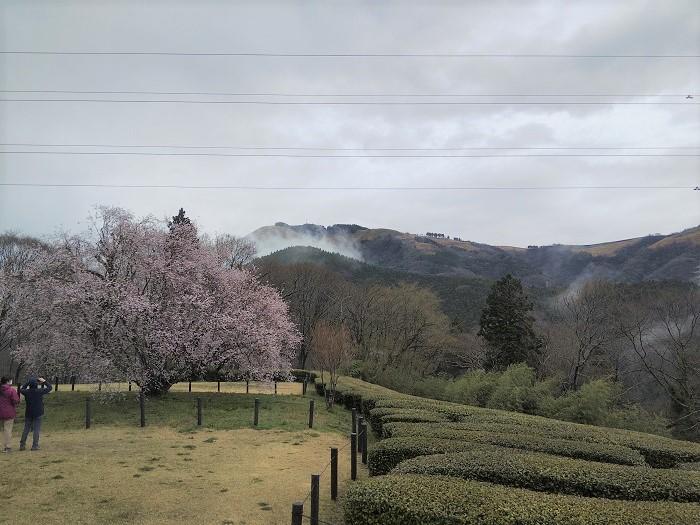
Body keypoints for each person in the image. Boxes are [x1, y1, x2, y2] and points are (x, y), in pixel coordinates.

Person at [19, 376, 52, 451]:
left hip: (29, 412)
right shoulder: (39, 391)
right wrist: (44, 381)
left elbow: (21, 389)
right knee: (36, 429)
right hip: (38, 412)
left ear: (29, 385)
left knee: (26, 429)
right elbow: (50, 387)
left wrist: (28, 382)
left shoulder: (26, 392)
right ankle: (35, 446)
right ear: (37, 384)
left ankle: (22, 445)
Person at [0, 376, 20, 453]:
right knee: (7, 430)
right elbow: (16, 400)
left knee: (3, 430)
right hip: (9, 412)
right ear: (8, 381)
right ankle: (7, 447)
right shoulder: (11, 390)